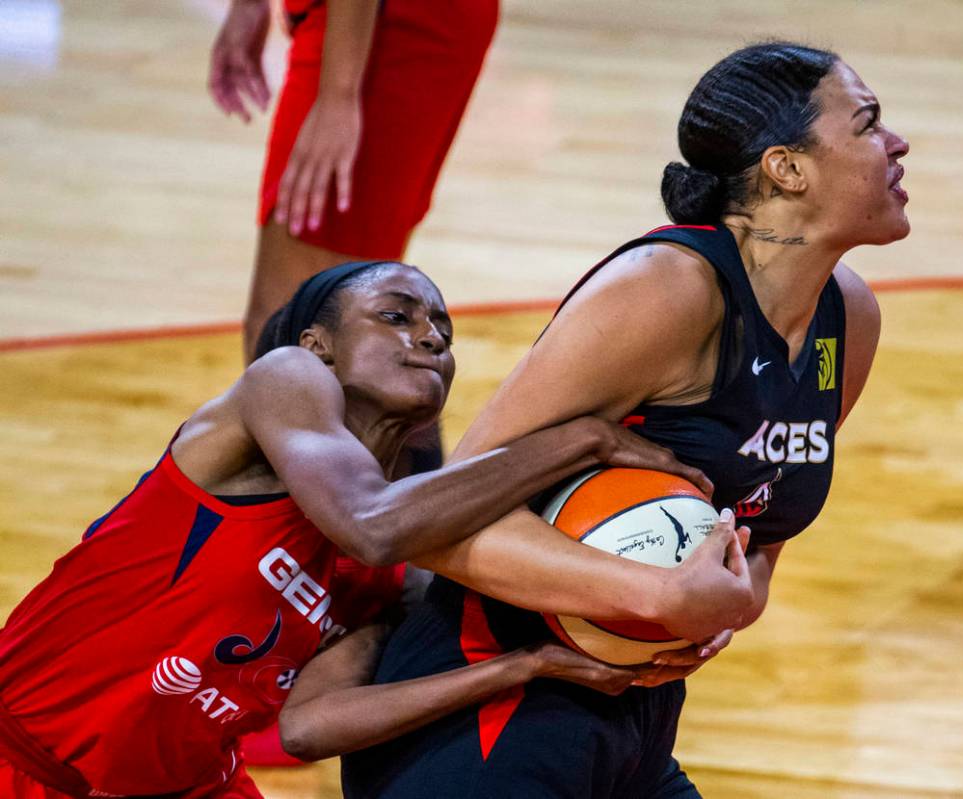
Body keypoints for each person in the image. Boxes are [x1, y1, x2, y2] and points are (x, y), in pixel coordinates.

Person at [340, 42, 908, 798]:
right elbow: (432, 520)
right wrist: (652, 595)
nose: (896, 142)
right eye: (868, 123)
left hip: (636, 722)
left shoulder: (849, 316)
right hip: (485, 714)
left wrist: (733, 600)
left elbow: (761, 522)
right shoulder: (668, 292)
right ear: (788, 168)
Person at [0, 261, 752, 799]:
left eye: (441, 327)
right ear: (319, 341)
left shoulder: (406, 557)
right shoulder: (285, 381)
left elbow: (310, 726)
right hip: (21, 753)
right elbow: (367, 523)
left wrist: (527, 665)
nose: (429, 336)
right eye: (396, 315)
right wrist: (581, 437)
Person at [208, 0, 499, 364]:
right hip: (372, 23)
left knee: (292, 336)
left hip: (378, 26)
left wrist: (338, 95)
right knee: (314, 330)